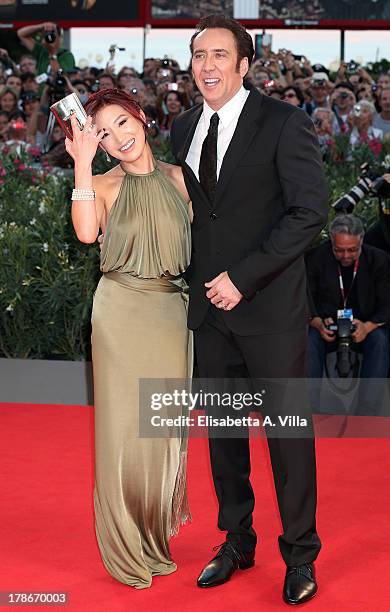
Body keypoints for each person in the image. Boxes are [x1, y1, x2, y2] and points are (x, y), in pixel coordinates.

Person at [170, 14, 328, 606]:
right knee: (224, 439)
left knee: (287, 440)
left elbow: (308, 214)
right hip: (210, 316)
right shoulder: (182, 127)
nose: (206, 66)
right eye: (197, 56)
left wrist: (244, 277)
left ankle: (301, 553)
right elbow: (190, 215)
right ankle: (237, 541)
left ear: (244, 64)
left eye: (218, 55)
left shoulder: (285, 124)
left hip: (269, 312)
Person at [65, 88, 192, 589]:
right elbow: (84, 234)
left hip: (172, 313)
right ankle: (124, 543)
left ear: (139, 116)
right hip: (120, 312)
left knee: (161, 431)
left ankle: (154, 536)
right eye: (104, 133)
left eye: (122, 123)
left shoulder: (182, 180)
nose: (118, 137)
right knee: (123, 434)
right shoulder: (102, 185)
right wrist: (82, 164)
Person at [306, 214, 390, 412]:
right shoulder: (314, 258)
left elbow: (387, 304)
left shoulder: (380, 260)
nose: (345, 256)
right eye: (339, 250)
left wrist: (368, 326)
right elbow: (304, 298)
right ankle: (309, 409)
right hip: (325, 326)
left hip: (364, 326)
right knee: (308, 341)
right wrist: (316, 321)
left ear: (361, 241)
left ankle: (367, 411)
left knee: (380, 341)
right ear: (331, 242)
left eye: (352, 250)